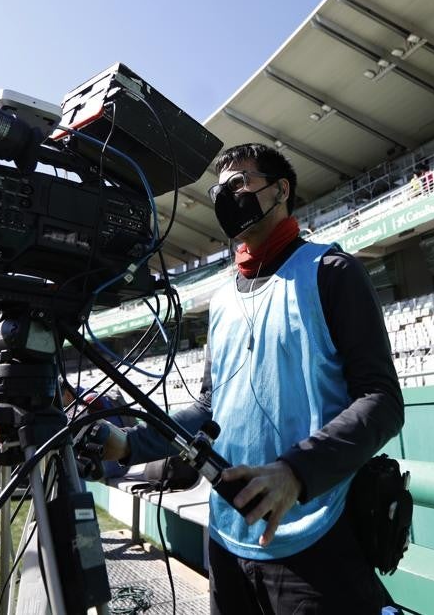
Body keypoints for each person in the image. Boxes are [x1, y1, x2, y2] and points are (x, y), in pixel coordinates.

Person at [93, 143, 404, 614]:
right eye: (220, 189)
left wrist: (295, 473)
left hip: (317, 533)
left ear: (281, 190)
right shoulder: (220, 299)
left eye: (241, 183)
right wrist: (130, 443)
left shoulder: (333, 272)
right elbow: (209, 408)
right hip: (226, 539)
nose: (226, 196)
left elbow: (382, 401)